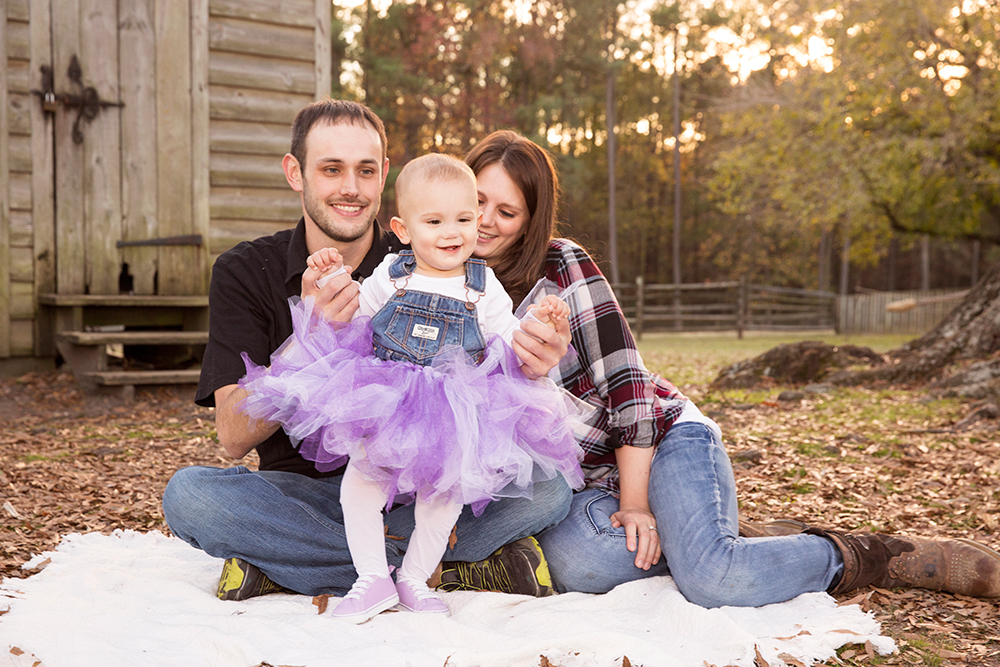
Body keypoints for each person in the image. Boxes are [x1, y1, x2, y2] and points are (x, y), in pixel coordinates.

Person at [463, 129, 1000, 606]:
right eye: (478, 201)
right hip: (589, 485)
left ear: (531, 221)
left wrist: (636, 505)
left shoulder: (561, 266)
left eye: (507, 212)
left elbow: (630, 389)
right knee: (580, 564)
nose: (485, 221)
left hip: (661, 439)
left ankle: (871, 555)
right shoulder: (443, 287)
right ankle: (719, 533)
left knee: (713, 579)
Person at [162, 101, 575, 603]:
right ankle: (440, 566)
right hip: (305, 493)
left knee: (549, 490)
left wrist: (533, 361)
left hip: (423, 482)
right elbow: (232, 436)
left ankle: (290, 563)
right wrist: (310, 335)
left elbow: (489, 362)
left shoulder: (429, 252)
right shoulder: (246, 270)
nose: (351, 188)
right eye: (331, 169)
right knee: (191, 498)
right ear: (295, 173)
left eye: (365, 170)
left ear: (383, 177)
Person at [235, 153, 585, 622]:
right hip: (389, 404)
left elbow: (511, 345)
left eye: (463, 219)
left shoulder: (484, 287)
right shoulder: (391, 276)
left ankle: (415, 577)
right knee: (360, 488)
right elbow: (353, 319)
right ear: (402, 229)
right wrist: (331, 277)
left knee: (443, 502)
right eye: (434, 221)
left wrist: (540, 323)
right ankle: (371, 578)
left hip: (454, 413)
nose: (451, 232)